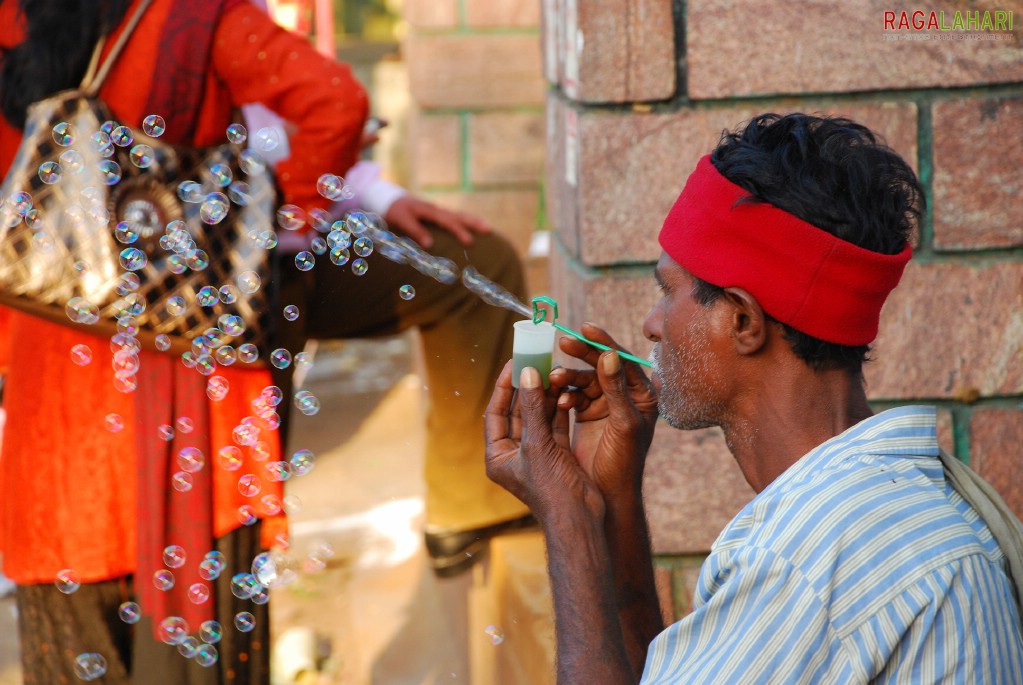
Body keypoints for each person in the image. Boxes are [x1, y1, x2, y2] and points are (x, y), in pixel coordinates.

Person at [0, 0, 527, 682]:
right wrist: (260, 238)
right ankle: (468, 522)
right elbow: (336, 101)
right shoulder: (187, 15)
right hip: (191, 395)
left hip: (54, 414)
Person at [485, 113, 1023, 682]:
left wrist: (567, 524)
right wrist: (608, 498)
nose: (650, 324)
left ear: (743, 320)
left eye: (668, 292)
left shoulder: (807, 562)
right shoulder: (886, 499)